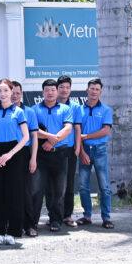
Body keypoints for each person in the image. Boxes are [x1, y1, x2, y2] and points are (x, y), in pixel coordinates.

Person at [0, 79, 29, 245]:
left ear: (12, 92)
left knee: (14, 193)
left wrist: (10, 154)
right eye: (0, 91)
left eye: (6, 90)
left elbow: (25, 137)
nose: (3, 94)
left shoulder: (19, 112)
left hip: (14, 154)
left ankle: (13, 231)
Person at [31, 79, 73, 233]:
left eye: (53, 90)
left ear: (57, 92)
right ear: (43, 92)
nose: (50, 93)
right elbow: (34, 130)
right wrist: (51, 137)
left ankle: (56, 220)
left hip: (60, 153)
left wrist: (52, 141)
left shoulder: (65, 109)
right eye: (47, 90)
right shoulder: (35, 109)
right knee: (36, 189)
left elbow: (68, 128)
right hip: (40, 154)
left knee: (58, 190)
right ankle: (32, 222)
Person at [77, 78, 114, 229]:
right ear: (87, 90)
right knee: (83, 186)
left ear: (100, 92)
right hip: (84, 150)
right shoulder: (79, 110)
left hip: (100, 150)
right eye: (92, 88)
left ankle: (106, 217)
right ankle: (87, 215)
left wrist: (86, 136)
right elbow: (77, 132)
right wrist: (81, 152)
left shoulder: (106, 110)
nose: (94, 91)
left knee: (104, 186)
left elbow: (105, 131)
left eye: (97, 89)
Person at [11, 81, 41, 237]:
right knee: (10, 191)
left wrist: (33, 158)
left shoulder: (29, 112)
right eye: (12, 93)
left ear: (21, 94)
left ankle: (30, 225)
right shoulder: (1, 111)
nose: (15, 96)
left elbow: (34, 136)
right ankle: (12, 225)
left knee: (26, 191)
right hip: (6, 153)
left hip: (24, 153)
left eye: (18, 93)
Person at [57, 75, 84, 228]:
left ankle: (67, 215)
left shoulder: (75, 107)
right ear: (57, 89)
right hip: (52, 149)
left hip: (69, 150)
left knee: (68, 183)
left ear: (70, 89)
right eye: (62, 87)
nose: (64, 90)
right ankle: (54, 215)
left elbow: (77, 128)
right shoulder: (51, 104)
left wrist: (78, 148)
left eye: (67, 87)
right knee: (53, 184)